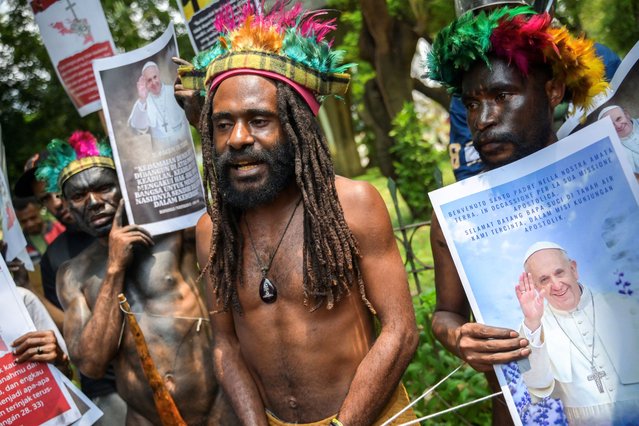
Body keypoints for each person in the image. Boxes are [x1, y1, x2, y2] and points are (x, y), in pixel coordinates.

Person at [179, 2, 418, 424]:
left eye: (258, 120)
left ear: (296, 126)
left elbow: (399, 333)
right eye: (222, 124)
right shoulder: (212, 231)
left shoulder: (353, 205)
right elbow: (225, 345)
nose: (237, 138)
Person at [426, 6, 608, 423]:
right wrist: (458, 337)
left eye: (502, 96)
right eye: (472, 104)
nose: (483, 120)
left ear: (554, 91)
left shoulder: (607, 176)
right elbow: (445, 313)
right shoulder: (459, 214)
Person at [36, 132, 237, 424]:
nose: (93, 202)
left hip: (220, 406)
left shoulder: (173, 231)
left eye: (104, 188)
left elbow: (229, 223)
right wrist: (115, 267)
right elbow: (91, 363)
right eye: (79, 196)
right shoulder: (72, 273)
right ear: (66, 206)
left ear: (123, 188)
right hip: (147, 417)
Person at [447, 0, 622, 181]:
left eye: (506, 11)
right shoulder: (470, 88)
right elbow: (471, 173)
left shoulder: (597, 62)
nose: (495, 22)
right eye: (485, 15)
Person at [16, 141, 125, 426]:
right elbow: (71, 330)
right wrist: (30, 293)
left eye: (55, 193)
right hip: (107, 388)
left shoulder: (130, 226)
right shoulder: (58, 259)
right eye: (45, 200)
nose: (54, 203)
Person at [515, 241, 639, 424]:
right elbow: (537, 384)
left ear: (573, 269)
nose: (556, 285)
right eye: (544, 280)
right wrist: (533, 322)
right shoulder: (530, 329)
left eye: (560, 272)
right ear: (534, 286)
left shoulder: (626, 306)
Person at [128, 61, 189, 151]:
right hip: (161, 149)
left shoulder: (174, 91)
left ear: (159, 75)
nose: (153, 82)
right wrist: (142, 99)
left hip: (182, 142)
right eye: (149, 80)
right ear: (145, 83)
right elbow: (140, 127)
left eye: (155, 77)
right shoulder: (144, 101)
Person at [13, 196, 65, 265]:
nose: (29, 224)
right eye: (24, 221)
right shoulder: (20, 246)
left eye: (33, 217)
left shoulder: (61, 229)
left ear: (40, 211)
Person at [598, 105, 639, 179]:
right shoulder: (612, 155)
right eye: (610, 124)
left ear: (626, 115)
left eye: (619, 119)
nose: (618, 126)